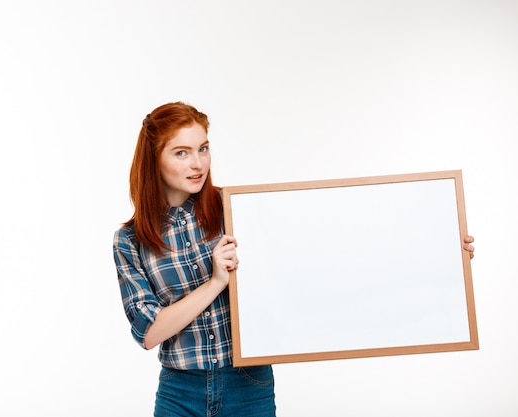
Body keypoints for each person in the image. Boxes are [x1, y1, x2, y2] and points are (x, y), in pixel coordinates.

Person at [113, 101, 476, 417]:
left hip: (248, 385)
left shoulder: (236, 208)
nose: (197, 163)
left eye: (203, 148)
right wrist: (215, 282)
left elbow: (329, 253)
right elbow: (149, 332)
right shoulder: (130, 240)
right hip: (180, 393)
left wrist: (441, 250)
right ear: (154, 159)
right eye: (181, 152)